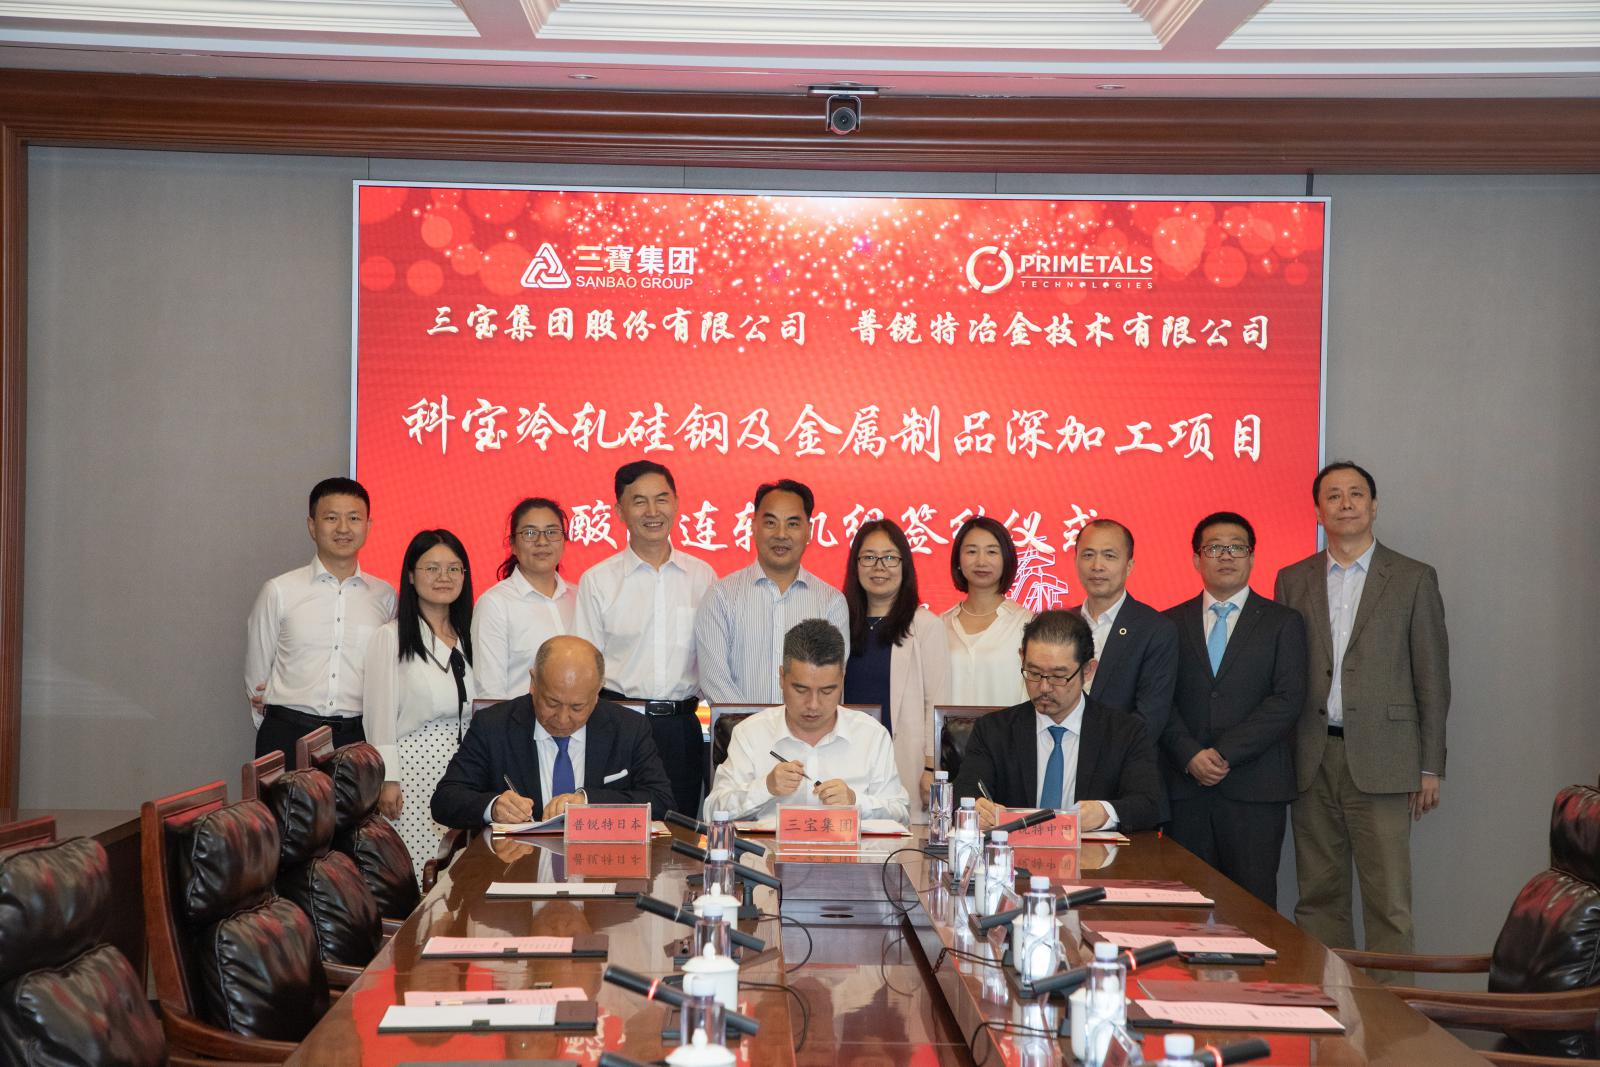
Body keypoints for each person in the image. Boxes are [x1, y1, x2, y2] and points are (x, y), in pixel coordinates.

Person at [1275, 462, 1449, 963]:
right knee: (1317, 900)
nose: (1345, 503)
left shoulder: (1413, 578)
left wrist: (1430, 765)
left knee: (1389, 905)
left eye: (1356, 494)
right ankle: (1329, 1009)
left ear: (1374, 507)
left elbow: (1433, 678)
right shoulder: (1292, 579)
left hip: (1386, 759)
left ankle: (1391, 1015)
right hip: (1312, 757)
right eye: (1333, 496)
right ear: (1318, 511)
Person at [1162, 512, 1307, 907]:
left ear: (1252, 557)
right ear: (1197, 559)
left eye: (1237, 548)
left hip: (1255, 789)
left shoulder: (1283, 622)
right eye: (1214, 548)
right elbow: (1160, 701)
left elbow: (1287, 699)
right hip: (1186, 788)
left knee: (1252, 906)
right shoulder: (1168, 623)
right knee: (1183, 906)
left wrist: (1225, 753)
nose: (1226, 556)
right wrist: (1189, 754)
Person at [574, 461, 716, 817]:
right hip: (618, 723)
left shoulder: (703, 576)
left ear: (676, 503)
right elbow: (585, 665)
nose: (652, 512)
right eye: (639, 501)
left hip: (682, 728)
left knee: (680, 829)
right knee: (618, 826)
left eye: (661, 499)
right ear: (619, 511)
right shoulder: (598, 580)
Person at [429, 635, 675, 828]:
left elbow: (662, 801)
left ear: (597, 693)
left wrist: (587, 802)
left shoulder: (629, 728)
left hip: (598, 864)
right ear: (533, 683)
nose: (562, 718)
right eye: (552, 703)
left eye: (577, 707)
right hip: (516, 864)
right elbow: (445, 800)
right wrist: (493, 807)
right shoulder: (494, 725)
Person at [951, 610, 1162, 833]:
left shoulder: (1124, 732)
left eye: (1058, 676)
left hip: (1091, 855)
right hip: (1013, 853)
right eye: (1034, 673)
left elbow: (1148, 804)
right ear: (1022, 658)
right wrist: (975, 807)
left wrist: (1104, 812)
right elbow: (964, 790)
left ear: (1088, 670)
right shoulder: (993, 730)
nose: (1044, 687)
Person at [246, 477, 396, 768]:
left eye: (354, 518)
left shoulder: (386, 596)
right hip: (286, 735)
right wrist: (274, 725)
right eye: (331, 518)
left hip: (356, 740)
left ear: (368, 526)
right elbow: (256, 677)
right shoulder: (279, 590)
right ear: (312, 526)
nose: (343, 528)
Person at [704, 620, 909, 824]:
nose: (813, 704)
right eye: (801, 690)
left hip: (847, 846)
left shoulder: (872, 735)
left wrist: (855, 802)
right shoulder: (751, 733)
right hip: (768, 846)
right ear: (782, 678)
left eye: (827, 691)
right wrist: (765, 788)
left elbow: (901, 815)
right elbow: (712, 811)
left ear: (842, 679)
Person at [362, 529, 479, 873]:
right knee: (420, 869)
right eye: (432, 568)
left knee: (460, 871)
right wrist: (388, 778)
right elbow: (378, 715)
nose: (444, 577)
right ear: (411, 576)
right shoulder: (391, 637)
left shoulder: (471, 635)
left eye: (454, 568)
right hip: (415, 772)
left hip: (467, 770)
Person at [695, 479, 849, 705]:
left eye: (793, 524)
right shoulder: (721, 597)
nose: (781, 534)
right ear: (753, 526)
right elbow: (715, 681)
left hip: (808, 727)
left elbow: (830, 681)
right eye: (770, 522)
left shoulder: (831, 602)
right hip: (738, 727)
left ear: (809, 531)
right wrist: (754, 725)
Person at [841, 519, 950, 822]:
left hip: (904, 761)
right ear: (856, 565)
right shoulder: (840, 622)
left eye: (889, 557)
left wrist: (931, 767)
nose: (879, 567)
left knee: (901, 837)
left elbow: (936, 702)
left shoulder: (926, 626)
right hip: (847, 757)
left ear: (905, 565)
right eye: (869, 557)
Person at [1072, 518, 1179, 819]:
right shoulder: (1058, 624)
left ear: (1129, 565)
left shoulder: (1155, 629)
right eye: (1088, 554)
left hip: (1123, 786)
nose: (1097, 566)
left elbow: (1149, 719)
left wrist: (1088, 756)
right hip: (1062, 779)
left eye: (1109, 555)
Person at [471, 497, 575, 701]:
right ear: (512, 544)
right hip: (520, 719)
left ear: (564, 540)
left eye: (552, 532)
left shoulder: (579, 597)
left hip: (580, 720)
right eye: (529, 533)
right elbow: (490, 691)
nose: (542, 542)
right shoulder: (495, 604)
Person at [941, 515, 1032, 707]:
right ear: (958, 560)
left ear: (1006, 559)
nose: (981, 561)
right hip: (947, 728)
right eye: (971, 551)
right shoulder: (940, 625)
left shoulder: (1027, 623)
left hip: (1008, 727)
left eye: (991, 552)